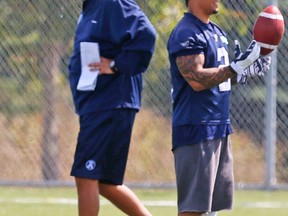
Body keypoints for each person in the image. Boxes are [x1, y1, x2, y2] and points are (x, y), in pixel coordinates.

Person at [167, 0, 271, 216]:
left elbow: (220, 77)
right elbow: (196, 79)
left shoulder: (216, 31)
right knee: (193, 210)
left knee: (211, 210)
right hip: (196, 127)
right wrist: (234, 68)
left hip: (219, 127)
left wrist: (242, 73)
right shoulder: (187, 32)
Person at [68, 0, 156, 215]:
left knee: (86, 175)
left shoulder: (112, 2)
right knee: (105, 182)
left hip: (109, 103)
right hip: (98, 105)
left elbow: (146, 33)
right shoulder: (92, 7)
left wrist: (116, 65)